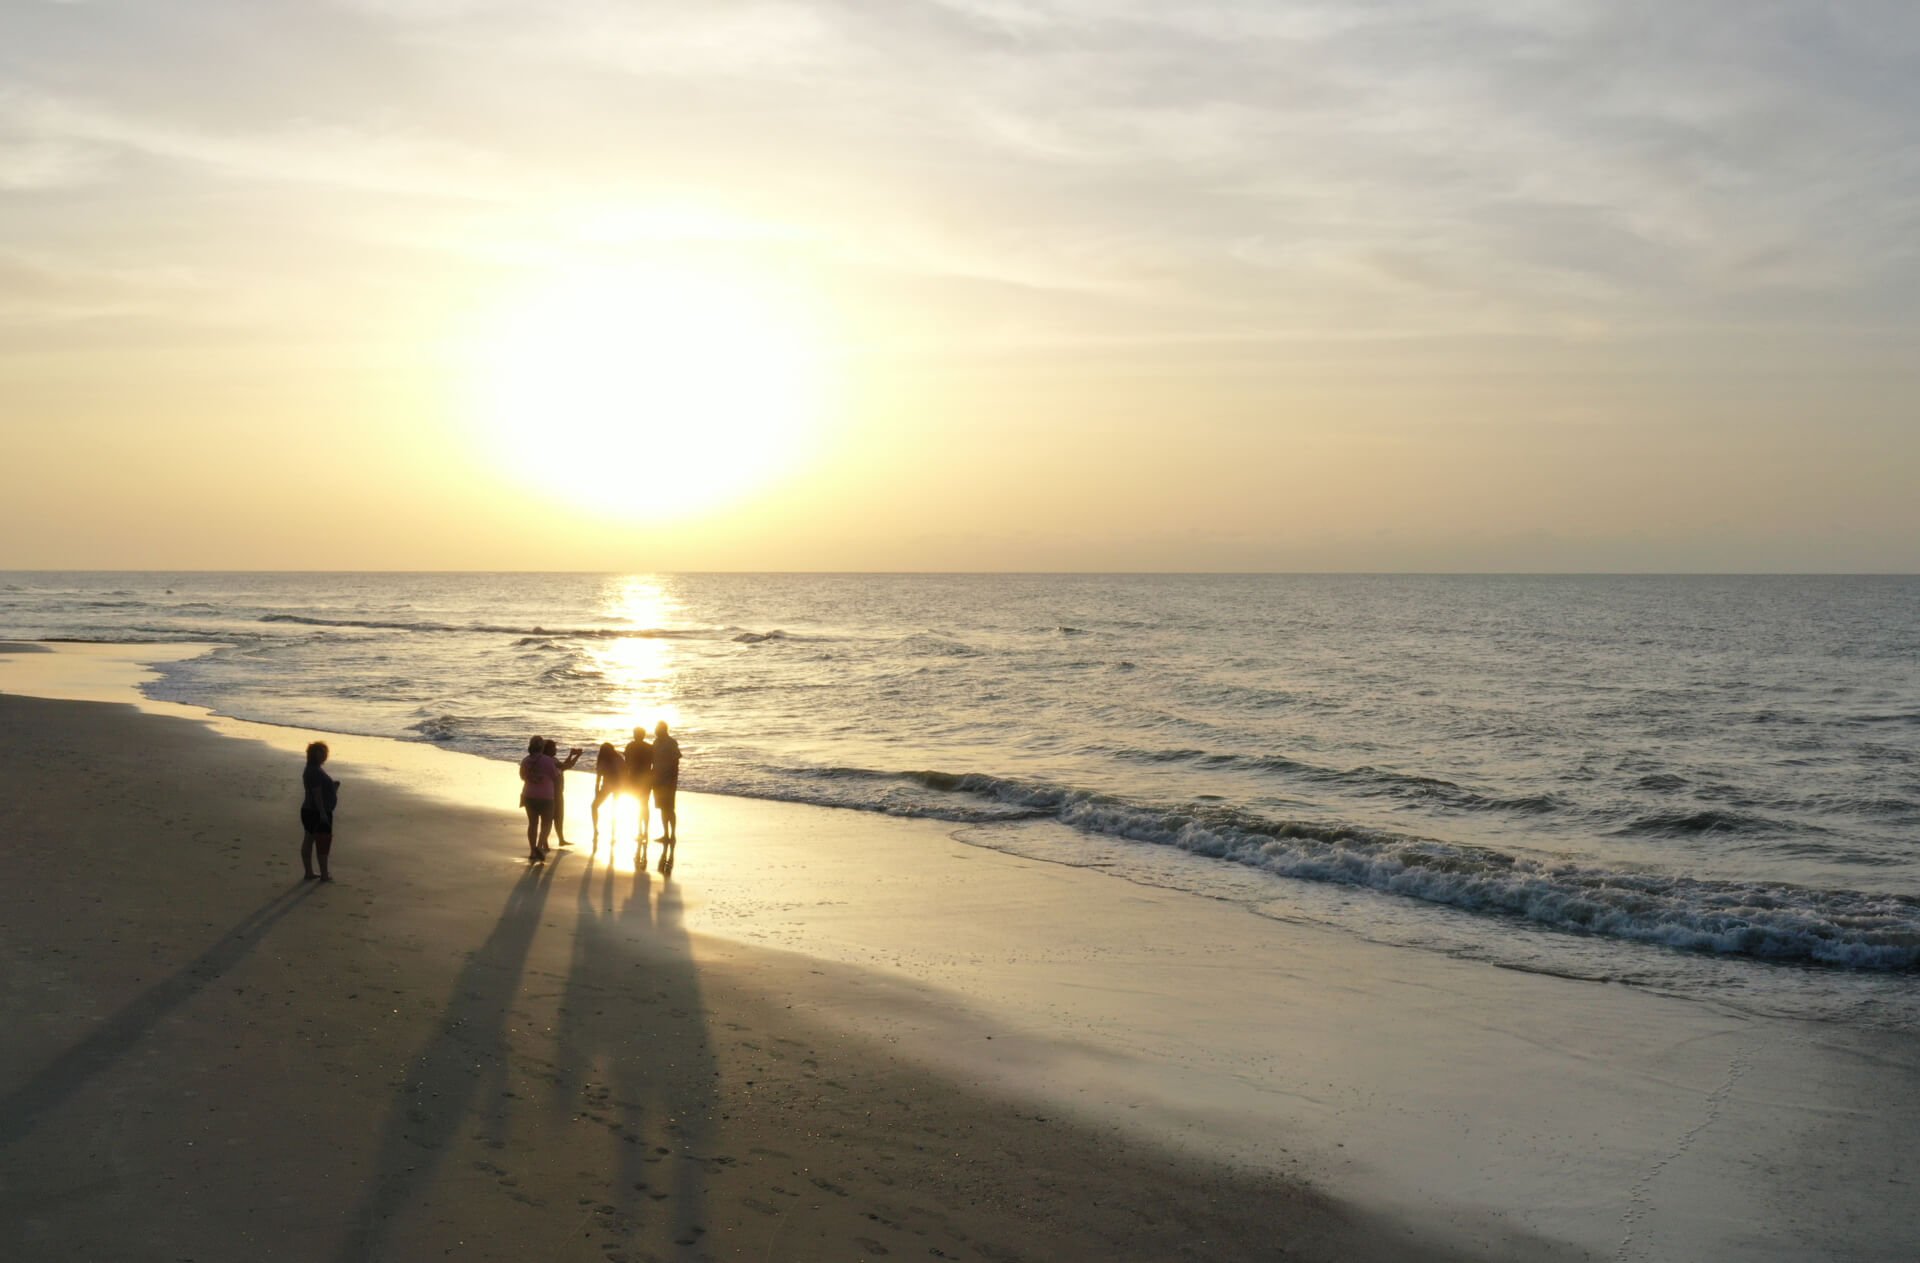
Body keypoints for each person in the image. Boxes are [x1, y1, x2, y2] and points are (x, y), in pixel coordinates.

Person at [300, 741, 340, 881]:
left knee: (309, 839)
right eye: (321, 753)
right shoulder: (314, 771)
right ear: (314, 755)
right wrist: (323, 813)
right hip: (316, 812)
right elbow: (316, 794)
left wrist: (332, 790)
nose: (324, 755)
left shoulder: (312, 768)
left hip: (309, 810)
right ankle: (323, 874)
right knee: (322, 842)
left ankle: (309, 873)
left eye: (325, 752)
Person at [519, 735, 559, 860]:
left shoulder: (526, 760)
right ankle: (540, 846)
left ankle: (532, 851)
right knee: (546, 823)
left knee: (532, 824)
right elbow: (555, 776)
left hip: (528, 795)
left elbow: (522, 776)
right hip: (546, 797)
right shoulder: (548, 761)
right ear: (542, 747)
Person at [544, 739, 583, 846]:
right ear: (549, 749)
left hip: (553, 793)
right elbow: (567, 766)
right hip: (555, 794)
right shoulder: (552, 761)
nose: (556, 749)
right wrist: (578, 755)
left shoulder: (549, 760)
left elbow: (563, 767)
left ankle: (557, 840)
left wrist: (571, 755)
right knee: (556, 817)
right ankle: (551, 841)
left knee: (552, 818)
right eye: (554, 748)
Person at [651, 720, 682, 850]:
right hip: (657, 779)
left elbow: (676, 759)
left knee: (669, 808)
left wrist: (671, 778)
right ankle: (666, 834)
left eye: (658, 729)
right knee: (663, 808)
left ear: (664, 729)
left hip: (669, 780)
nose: (656, 731)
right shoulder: (656, 742)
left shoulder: (671, 742)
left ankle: (672, 834)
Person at [623, 726, 654, 848]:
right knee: (644, 804)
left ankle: (640, 830)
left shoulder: (630, 746)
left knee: (638, 804)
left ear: (635, 735)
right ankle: (645, 830)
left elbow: (626, 763)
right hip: (646, 778)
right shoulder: (649, 747)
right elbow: (653, 763)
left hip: (634, 778)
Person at [589, 741, 624, 847]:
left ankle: (596, 829)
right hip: (618, 786)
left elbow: (599, 776)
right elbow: (625, 772)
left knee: (594, 806)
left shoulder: (603, 760)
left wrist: (597, 789)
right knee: (615, 808)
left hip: (607, 786)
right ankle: (613, 830)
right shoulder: (619, 758)